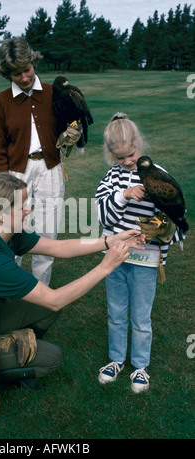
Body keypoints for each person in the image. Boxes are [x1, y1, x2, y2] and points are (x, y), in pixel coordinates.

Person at [0, 172, 145, 392]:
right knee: (51, 357)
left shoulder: (3, 231)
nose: (29, 210)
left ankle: (12, 351)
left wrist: (108, 241)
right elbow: (55, 300)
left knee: (45, 309)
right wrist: (105, 267)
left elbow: (58, 248)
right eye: (23, 206)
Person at [95, 112, 184, 393]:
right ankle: (116, 360)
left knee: (141, 316)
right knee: (116, 311)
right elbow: (103, 218)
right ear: (112, 155)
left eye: (131, 154)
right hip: (116, 258)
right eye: (120, 157)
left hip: (146, 259)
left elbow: (176, 221)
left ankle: (140, 366)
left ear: (140, 145)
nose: (127, 161)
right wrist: (123, 195)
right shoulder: (112, 178)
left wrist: (160, 230)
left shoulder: (159, 175)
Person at [0, 37, 78, 286]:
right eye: (16, 74)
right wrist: (2, 185)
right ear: (7, 74)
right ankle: (14, 294)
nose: (24, 78)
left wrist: (72, 132)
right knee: (14, 236)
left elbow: (69, 126)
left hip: (50, 170)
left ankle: (40, 299)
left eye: (26, 70)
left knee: (46, 236)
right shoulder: (2, 102)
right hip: (15, 175)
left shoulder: (54, 92)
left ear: (33, 63)